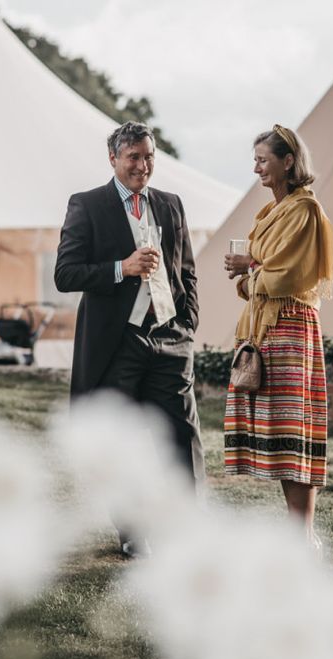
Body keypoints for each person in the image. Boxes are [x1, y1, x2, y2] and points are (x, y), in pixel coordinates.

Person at [54, 121, 204, 557]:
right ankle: (133, 532)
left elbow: (187, 271)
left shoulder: (171, 205)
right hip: (117, 344)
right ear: (114, 159)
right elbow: (65, 274)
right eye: (134, 156)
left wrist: (187, 323)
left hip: (170, 339)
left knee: (182, 435)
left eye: (149, 156)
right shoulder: (87, 205)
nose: (143, 164)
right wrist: (122, 267)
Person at [223, 124, 333, 550]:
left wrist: (249, 268)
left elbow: (287, 276)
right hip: (264, 329)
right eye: (254, 161)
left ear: (288, 161)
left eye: (263, 160)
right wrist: (249, 270)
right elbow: (257, 274)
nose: (257, 169)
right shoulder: (271, 213)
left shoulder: (304, 211)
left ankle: (302, 537)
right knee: (278, 435)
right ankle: (298, 534)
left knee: (295, 431)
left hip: (289, 330)